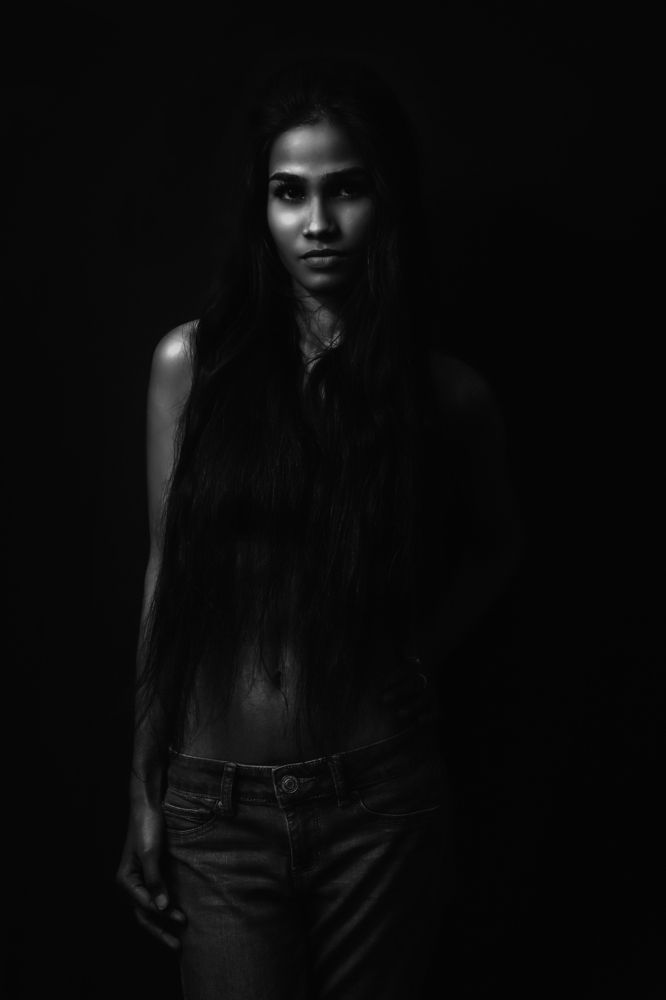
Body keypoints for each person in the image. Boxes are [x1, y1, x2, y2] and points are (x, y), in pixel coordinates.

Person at [116, 58, 521, 1000]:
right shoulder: (191, 366)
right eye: (289, 192)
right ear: (260, 208)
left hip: (379, 801)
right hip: (216, 806)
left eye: (346, 189)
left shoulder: (445, 394)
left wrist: (426, 650)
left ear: (386, 199)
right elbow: (166, 573)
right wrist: (140, 783)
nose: (317, 223)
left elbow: (500, 547)